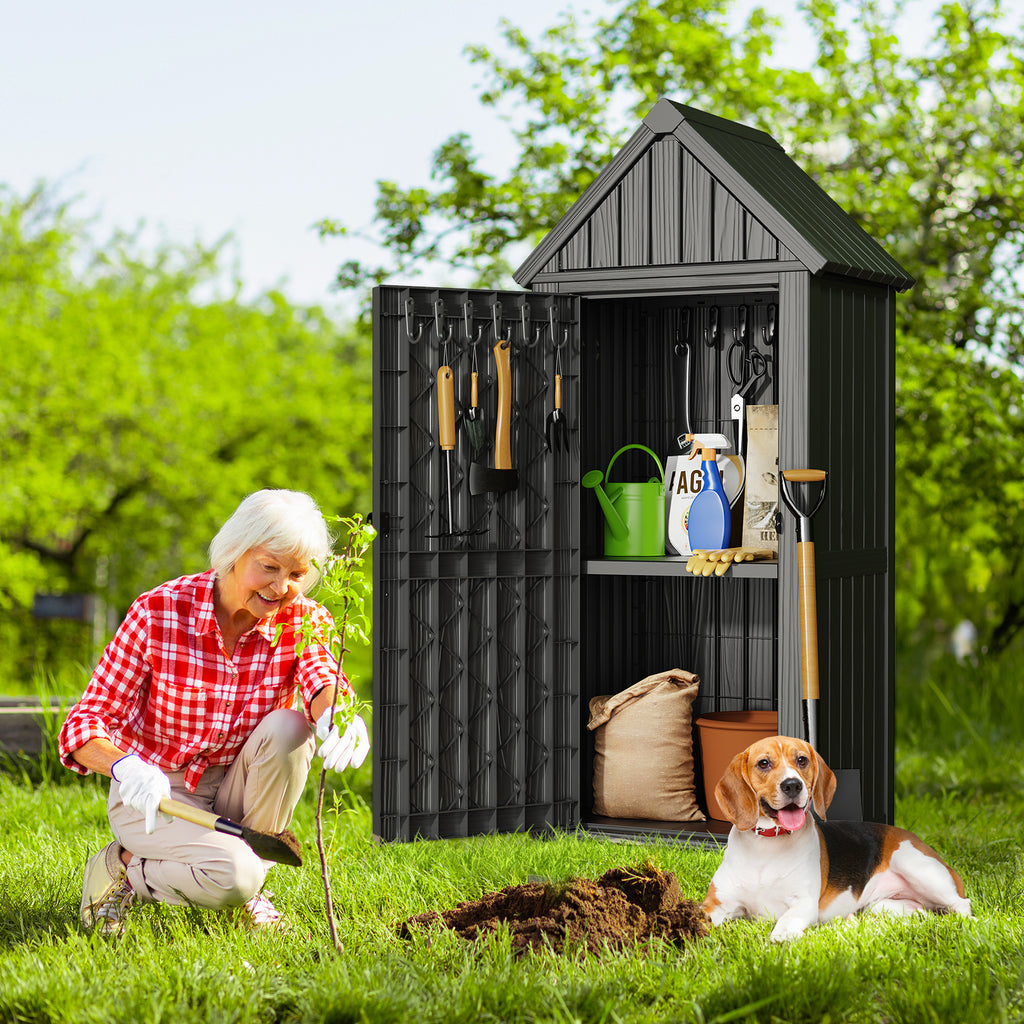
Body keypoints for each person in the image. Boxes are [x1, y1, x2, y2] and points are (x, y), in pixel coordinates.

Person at [58, 489, 369, 935]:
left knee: (291, 727)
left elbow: (322, 675)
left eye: (297, 573)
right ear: (234, 553)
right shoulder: (160, 611)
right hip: (155, 796)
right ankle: (123, 867)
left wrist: (337, 713)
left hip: (236, 786)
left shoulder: (304, 618)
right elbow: (82, 724)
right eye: (269, 567)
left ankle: (223, 878)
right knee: (238, 875)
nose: (281, 587)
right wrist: (125, 767)